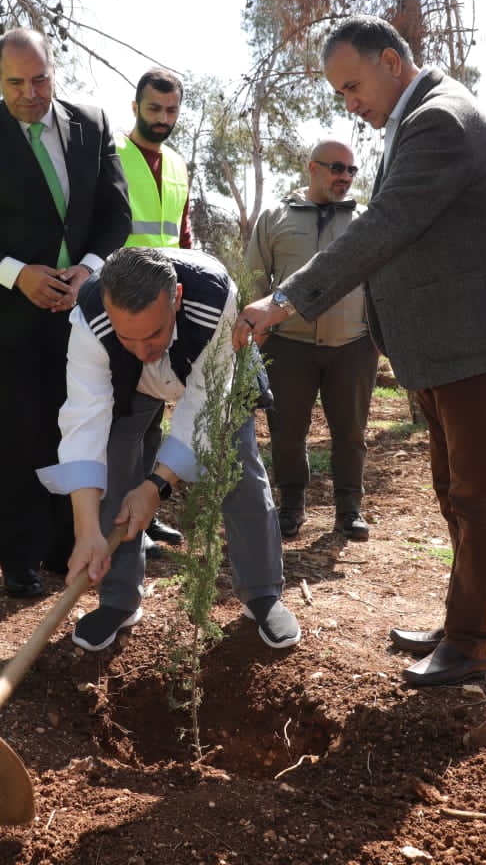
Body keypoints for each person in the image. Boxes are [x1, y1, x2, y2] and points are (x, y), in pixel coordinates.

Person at [235, 14, 486, 688]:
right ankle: (463, 623)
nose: (349, 103)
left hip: (471, 339)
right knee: (454, 490)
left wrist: (283, 301)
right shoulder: (417, 118)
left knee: (477, 496)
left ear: (391, 62)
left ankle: (474, 643)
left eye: (352, 85)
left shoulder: (440, 119)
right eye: (340, 92)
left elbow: (384, 226)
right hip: (443, 343)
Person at [0, 27, 130, 598]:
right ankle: (19, 556)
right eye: (16, 82)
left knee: (76, 424)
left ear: (53, 72)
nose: (29, 93)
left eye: (40, 79)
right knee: (20, 432)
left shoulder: (92, 124)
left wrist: (88, 269)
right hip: (8, 314)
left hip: (80, 309)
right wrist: (17, 274)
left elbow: (116, 215)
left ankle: (64, 544)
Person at [42, 246, 300, 651]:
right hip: (133, 385)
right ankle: (118, 600)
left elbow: (202, 410)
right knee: (114, 464)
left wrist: (155, 487)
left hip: (215, 378)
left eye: (154, 335)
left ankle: (262, 592)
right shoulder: (90, 316)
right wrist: (87, 530)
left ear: (176, 298)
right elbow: (84, 423)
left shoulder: (215, 297)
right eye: (127, 337)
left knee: (237, 466)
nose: (143, 350)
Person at [246, 138, 379, 541]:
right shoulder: (275, 216)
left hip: (353, 344)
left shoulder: (366, 220)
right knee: (286, 431)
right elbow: (255, 279)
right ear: (313, 168)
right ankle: (291, 506)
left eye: (351, 170)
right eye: (337, 168)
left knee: (351, 432)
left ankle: (349, 509)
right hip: (288, 344)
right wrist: (256, 336)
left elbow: (382, 281)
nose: (345, 177)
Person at [115, 66, 193, 551]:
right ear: (135, 107)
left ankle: (146, 516)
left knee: (153, 415)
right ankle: (121, 516)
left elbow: (182, 235)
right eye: (153, 109)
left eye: (171, 110)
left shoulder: (179, 164)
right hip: (121, 305)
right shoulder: (113, 155)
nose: (162, 118)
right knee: (124, 417)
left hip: (164, 305)